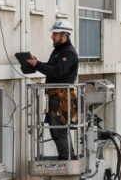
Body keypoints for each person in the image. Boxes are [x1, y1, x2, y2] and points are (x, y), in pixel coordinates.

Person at [22, 19, 79, 159]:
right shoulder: (58, 52)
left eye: (55, 34)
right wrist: (36, 64)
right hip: (56, 96)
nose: (52, 37)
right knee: (57, 129)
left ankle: (66, 158)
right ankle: (67, 156)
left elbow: (57, 72)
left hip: (62, 97)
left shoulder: (68, 53)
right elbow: (50, 67)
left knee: (59, 129)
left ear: (64, 36)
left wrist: (38, 64)